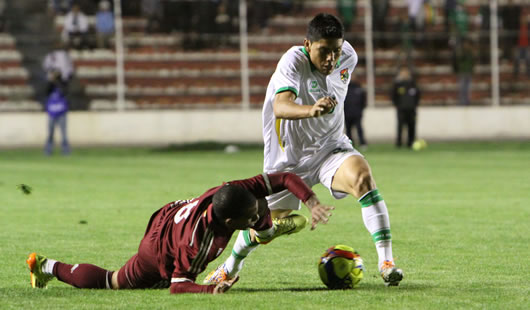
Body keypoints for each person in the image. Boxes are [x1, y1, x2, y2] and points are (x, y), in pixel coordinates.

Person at [205, 13, 403, 287]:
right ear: (307, 44)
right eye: (324, 51)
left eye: (336, 50)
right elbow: (281, 106)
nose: (331, 59)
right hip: (288, 161)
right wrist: (311, 110)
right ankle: (230, 267)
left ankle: (387, 262)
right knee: (263, 228)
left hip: (330, 149)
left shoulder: (349, 57)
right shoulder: (293, 61)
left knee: (363, 178)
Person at [26, 172, 333, 294]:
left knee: (262, 210)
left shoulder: (236, 191)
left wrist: (311, 200)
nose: (254, 214)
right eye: (249, 218)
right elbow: (179, 286)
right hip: (160, 246)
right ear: (229, 224)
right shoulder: (198, 243)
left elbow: (286, 177)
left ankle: (262, 232)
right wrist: (210, 290)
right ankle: (46, 265)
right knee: (115, 281)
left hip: (175, 212)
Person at [42, 43, 74, 155]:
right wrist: (51, 81)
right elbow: (46, 92)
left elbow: (65, 91)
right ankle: (48, 150)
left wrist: (57, 80)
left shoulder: (62, 83)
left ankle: (65, 150)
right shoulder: (50, 84)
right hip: (52, 111)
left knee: (64, 133)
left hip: (61, 111)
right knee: (50, 132)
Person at [391, 66, 420, 148]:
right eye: (403, 73)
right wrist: (397, 105)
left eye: (406, 73)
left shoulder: (413, 84)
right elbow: (393, 96)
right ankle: (399, 143)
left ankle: (411, 142)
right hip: (401, 109)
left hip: (412, 109)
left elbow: (418, 96)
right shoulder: (397, 85)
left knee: (412, 126)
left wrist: (414, 105)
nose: (405, 74)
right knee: (400, 126)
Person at [343, 72, 367, 149]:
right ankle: (350, 144)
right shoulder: (345, 88)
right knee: (348, 130)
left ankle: (362, 143)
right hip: (347, 113)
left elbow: (363, 101)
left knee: (359, 128)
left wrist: (360, 110)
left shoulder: (359, 87)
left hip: (357, 113)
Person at [452, 38, 475, 106]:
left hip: (468, 72)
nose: (466, 45)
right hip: (462, 72)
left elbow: (472, 62)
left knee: (468, 88)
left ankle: (467, 101)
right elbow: (458, 60)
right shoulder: (461, 52)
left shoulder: (470, 52)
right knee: (462, 88)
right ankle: (461, 101)